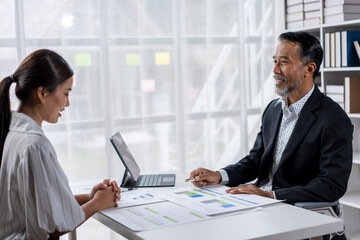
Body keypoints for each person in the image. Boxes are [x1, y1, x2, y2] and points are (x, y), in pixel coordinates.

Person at [190, 31, 353, 204]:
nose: (275, 70)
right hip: (262, 201)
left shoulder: (333, 119)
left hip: (297, 207)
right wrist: (219, 175)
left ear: (309, 69)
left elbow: (332, 185)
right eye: (275, 61)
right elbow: (257, 159)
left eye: (283, 62)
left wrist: (271, 196)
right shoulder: (273, 109)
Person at [0, 49, 121, 240]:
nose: (68, 103)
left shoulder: (10, 129)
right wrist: (97, 204)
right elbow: (52, 227)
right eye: (66, 93)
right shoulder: (35, 144)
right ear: (42, 93)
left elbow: (39, 205)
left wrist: (91, 197)